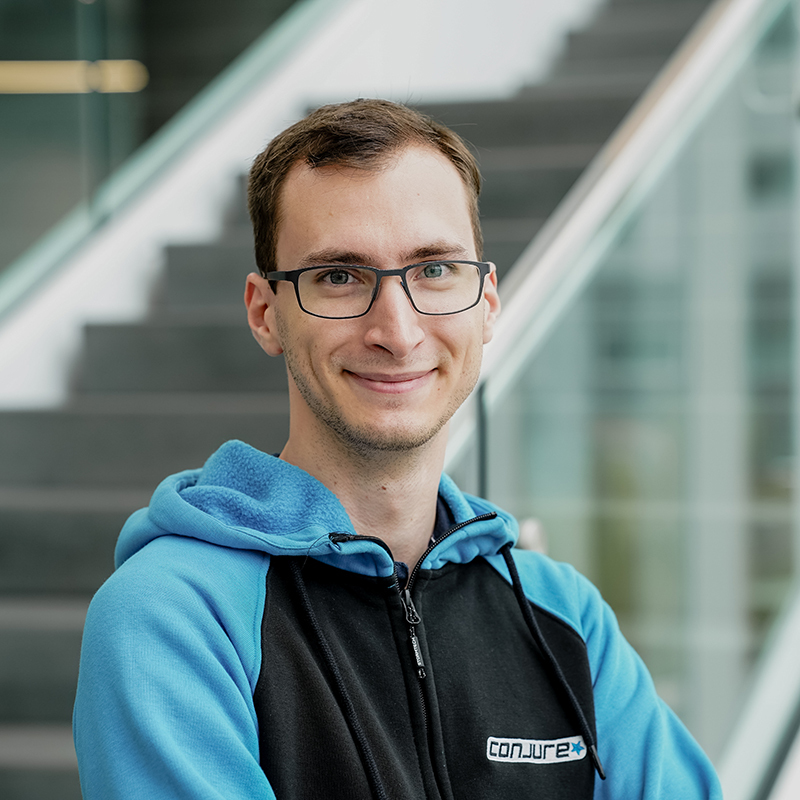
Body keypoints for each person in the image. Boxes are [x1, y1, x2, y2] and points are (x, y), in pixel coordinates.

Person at [73, 98, 722, 799]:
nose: (398, 330)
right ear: (266, 313)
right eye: (339, 277)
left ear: (488, 302)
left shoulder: (561, 612)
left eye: (435, 270)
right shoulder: (173, 616)